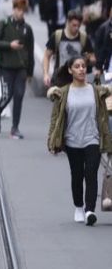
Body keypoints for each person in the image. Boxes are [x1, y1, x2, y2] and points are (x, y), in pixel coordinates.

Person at [47, 56, 112, 226]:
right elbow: (55, 119)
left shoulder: (96, 90)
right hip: (72, 141)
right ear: (70, 70)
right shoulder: (63, 92)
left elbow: (109, 91)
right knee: (77, 176)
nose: (82, 69)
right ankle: (78, 206)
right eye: (77, 66)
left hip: (93, 139)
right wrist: (52, 141)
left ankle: (89, 210)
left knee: (91, 174)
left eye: (83, 66)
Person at [0, 0, 35, 139]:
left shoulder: (27, 29)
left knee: (19, 96)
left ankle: (15, 127)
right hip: (5, 66)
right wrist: (10, 45)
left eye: (23, 10)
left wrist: (30, 72)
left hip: (21, 67)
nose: (21, 13)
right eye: (19, 10)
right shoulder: (3, 23)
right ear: (14, 9)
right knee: (6, 95)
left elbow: (30, 50)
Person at [42, 11, 94, 88]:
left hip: (77, 81)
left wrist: (90, 59)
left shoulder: (84, 38)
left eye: (78, 26)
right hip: (59, 80)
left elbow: (91, 56)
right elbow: (46, 56)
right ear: (68, 22)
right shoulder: (57, 35)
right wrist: (46, 74)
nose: (76, 28)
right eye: (74, 25)